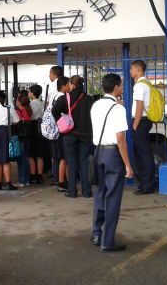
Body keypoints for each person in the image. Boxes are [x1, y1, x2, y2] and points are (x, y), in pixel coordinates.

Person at [90, 74, 133, 252]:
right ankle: (108, 241)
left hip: (97, 152)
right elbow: (120, 138)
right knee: (113, 197)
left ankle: (96, 233)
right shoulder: (118, 108)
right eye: (121, 85)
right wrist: (128, 165)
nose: (122, 88)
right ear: (116, 87)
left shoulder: (96, 105)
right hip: (113, 155)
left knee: (100, 193)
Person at [51, 75, 94, 198]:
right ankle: (86, 191)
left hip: (69, 135)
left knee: (71, 162)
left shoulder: (65, 98)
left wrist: (61, 121)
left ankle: (72, 191)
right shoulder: (89, 99)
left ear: (72, 85)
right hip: (86, 134)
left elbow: (54, 111)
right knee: (84, 162)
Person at [130, 60, 156, 195]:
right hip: (145, 121)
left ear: (138, 69)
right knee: (144, 153)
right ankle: (145, 183)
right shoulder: (147, 84)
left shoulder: (140, 86)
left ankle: (147, 185)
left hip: (140, 122)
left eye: (131, 69)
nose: (130, 72)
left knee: (143, 155)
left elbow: (139, 107)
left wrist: (134, 125)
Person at [0, 90, 20, 191]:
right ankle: (8, 183)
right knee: (6, 160)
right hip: (6, 133)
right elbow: (16, 121)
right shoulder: (9, 109)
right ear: (5, 98)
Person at [50, 76, 69, 188]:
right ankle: (62, 180)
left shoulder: (54, 96)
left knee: (57, 156)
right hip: (61, 129)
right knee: (63, 157)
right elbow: (56, 111)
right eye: (68, 84)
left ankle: (58, 178)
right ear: (63, 85)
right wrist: (61, 123)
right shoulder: (63, 97)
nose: (69, 87)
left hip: (54, 130)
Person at [28, 84, 46, 184]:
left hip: (33, 126)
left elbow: (31, 116)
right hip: (41, 127)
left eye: (29, 92)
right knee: (40, 154)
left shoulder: (32, 104)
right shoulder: (42, 103)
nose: (28, 94)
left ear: (32, 93)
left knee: (31, 154)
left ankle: (33, 174)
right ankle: (40, 175)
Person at [15, 91, 34, 187]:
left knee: (21, 160)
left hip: (21, 138)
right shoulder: (28, 111)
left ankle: (21, 181)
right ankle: (27, 180)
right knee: (25, 158)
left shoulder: (18, 112)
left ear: (19, 102)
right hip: (28, 137)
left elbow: (15, 123)